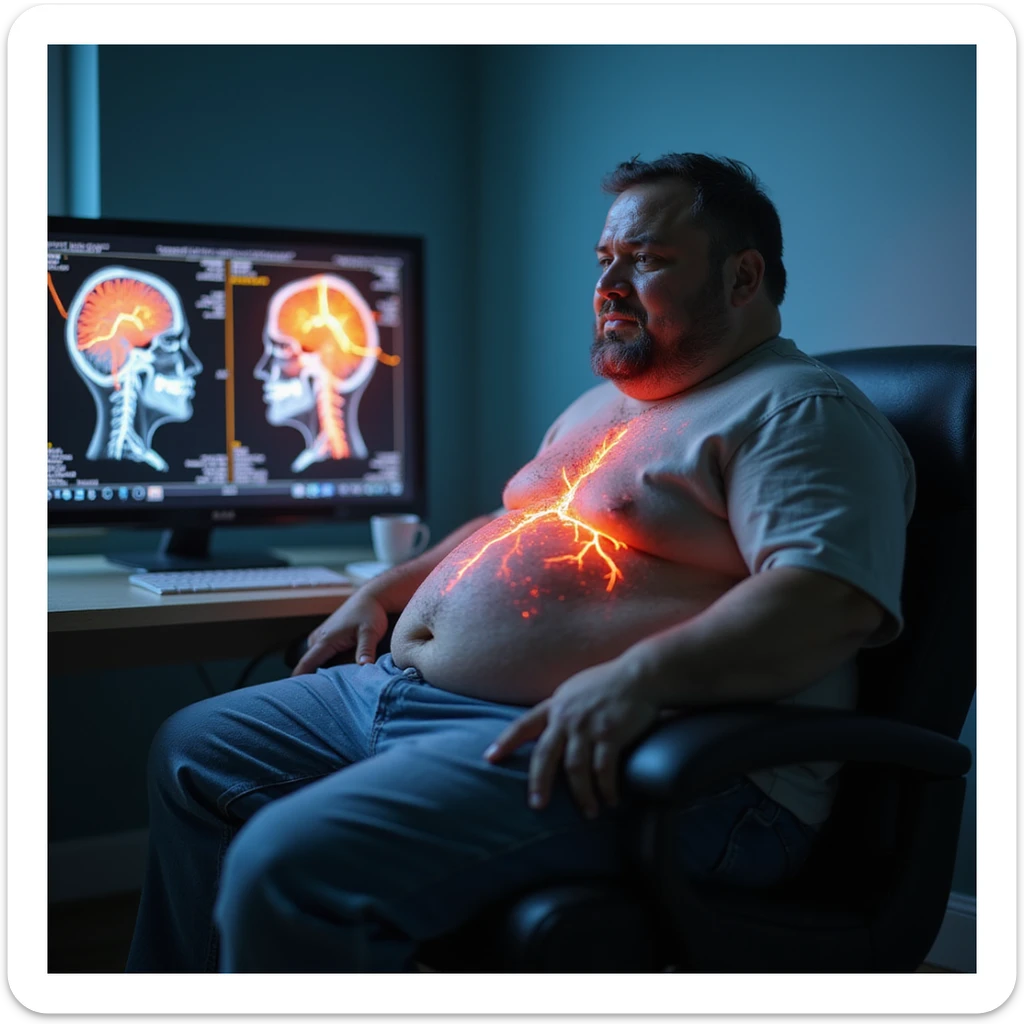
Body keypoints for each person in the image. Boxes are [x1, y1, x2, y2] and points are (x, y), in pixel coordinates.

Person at [125, 153, 915, 973]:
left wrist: (636, 679)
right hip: (415, 698)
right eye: (604, 260)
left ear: (743, 277)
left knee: (285, 865)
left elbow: (828, 599)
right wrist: (388, 592)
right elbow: (514, 524)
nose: (609, 284)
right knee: (196, 747)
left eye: (646, 259)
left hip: (636, 752)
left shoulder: (797, 411)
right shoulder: (609, 405)